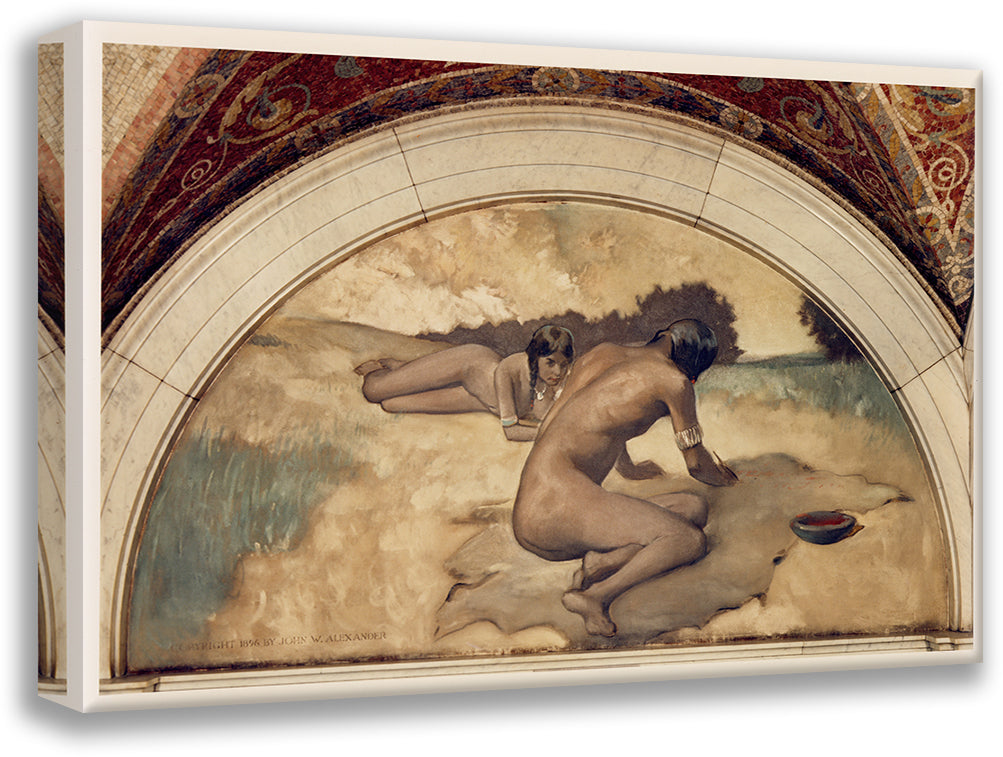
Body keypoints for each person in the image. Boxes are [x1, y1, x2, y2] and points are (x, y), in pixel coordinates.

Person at [512, 319, 738, 636]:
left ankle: (601, 563)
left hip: (538, 499)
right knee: (689, 540)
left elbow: (575, 420)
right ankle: (594, 597)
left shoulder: (603, 354)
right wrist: (730, 481)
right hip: (555, 511)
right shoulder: (674, 382)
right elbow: (697, 466)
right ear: (692, 363)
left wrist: (627, 467)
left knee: (693, 508)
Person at [354, 325, 575, 441]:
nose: (557, 372)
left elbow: (551, 415)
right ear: (536, 357)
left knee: (391, 405)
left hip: (483, 400)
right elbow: (512, 431)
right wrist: (550, 434)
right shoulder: (511, 369)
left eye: (563, 365)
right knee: (373, 391)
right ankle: (395, 369)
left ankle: (405, 368)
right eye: (551, 363)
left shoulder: (557, 380)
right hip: (469, 364)